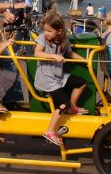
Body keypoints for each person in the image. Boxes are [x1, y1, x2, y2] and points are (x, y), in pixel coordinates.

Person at [33, 14, 88, 147]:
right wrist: (53, 56)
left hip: (59, 76)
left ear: (59, 31)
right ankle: (50, 131)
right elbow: (37, 53)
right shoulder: (42, 39)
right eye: (45, 30)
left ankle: (72, 108)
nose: (46, 33)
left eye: (49, 31)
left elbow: (70, 54)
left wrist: (85, 60)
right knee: (63, 104)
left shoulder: (64, 40)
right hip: (46, 79)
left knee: (81, 82)